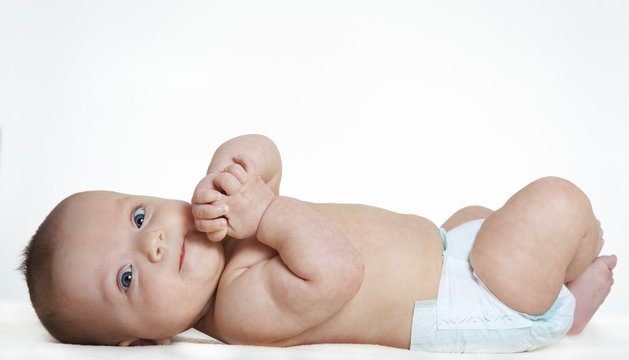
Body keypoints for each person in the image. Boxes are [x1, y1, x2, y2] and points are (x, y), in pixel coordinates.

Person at [20, 134, 616, 353]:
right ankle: (560, 310)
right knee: (556, 203)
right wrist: (266, 208)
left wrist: (236, 168)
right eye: (126, 278)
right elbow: (339, 272)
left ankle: (560, 295)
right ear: (143, 339)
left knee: (479, 218)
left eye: (140, 216)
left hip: (448, 250)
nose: (151, 243)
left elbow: (269, 158)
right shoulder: (240, 308)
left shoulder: (227, 229)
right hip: (466, 304)